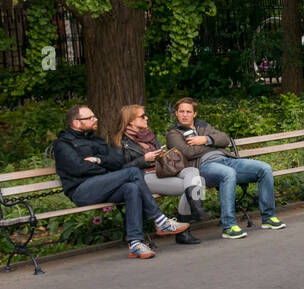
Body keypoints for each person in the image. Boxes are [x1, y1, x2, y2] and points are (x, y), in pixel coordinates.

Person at [52, 105, 191, 259]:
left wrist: (98, 160)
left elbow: (116, 162)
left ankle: (135, 244)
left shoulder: (96, 140)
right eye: (90, 118)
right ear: (76, 123)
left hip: (104, 186)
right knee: (132, 172)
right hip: (82, 190)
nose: (96, 119)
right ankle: (160, 220)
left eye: (94, 116)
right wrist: (104, 169)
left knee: (131, 188)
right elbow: (78, 168)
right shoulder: (63, 144)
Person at [166, 98, 284, 239]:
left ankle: (269, 218)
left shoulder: (203, 126)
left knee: (264, 168)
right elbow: (187, 153)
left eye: (188, 112)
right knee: (228, 174)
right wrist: (214, 143)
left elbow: (224, 139)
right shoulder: (173, 133)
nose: (185, 115)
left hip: (226, 160)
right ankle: (229, 226)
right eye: (181, 111)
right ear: (176, 114)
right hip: (204, 167)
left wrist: (205, 140)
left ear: (194, 114)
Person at [112, 105, 204, 245]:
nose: (146, 118)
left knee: (196, 175)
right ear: (130, 121)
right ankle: (185, 228)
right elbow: (120, 170)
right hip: (143, 177)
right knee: (193, 185)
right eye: (142, 116)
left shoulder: (149, 135)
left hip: (162, 171)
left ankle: (194, 212)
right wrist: (144, 159)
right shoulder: (120, 143)